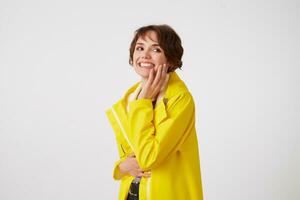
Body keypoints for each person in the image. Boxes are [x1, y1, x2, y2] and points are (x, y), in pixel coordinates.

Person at [106, 24, 203, 200]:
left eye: (156, 49)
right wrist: (121, 168)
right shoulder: (129, 99)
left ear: (171, 60)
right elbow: (129, 157)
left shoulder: (180, 100)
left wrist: (142, 103)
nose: (144, 55)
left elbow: (148, 158)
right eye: (140, 48)